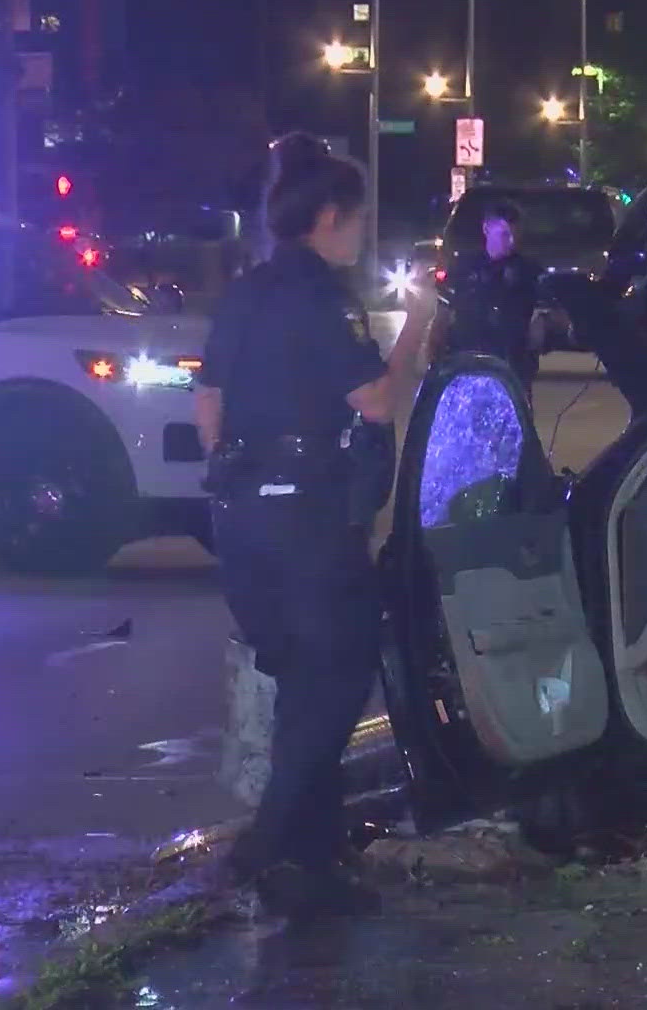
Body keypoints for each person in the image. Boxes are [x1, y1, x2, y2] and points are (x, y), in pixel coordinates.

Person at [194, 133, 442, 918]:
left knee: (302, 682)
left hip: (242, 519)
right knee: (335, 681)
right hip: (308, 519)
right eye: (358, 219)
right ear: (329, 216)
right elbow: (374, 398)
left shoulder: (246, 292)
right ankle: (262, 846)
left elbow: (208, 407)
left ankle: (312, 863)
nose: (363, 233)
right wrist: (419, 326)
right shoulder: (324, 296)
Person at [440, 200, 545, 389]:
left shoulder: (528, 271)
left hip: (512, 369)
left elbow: (539, 322)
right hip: (465, 366)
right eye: (504, 234)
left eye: (515, 234)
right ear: (487, 229)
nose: (511, 241)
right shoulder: (464, 269)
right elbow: (442, 315)